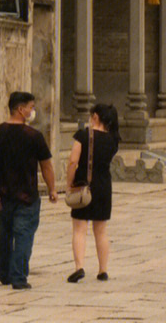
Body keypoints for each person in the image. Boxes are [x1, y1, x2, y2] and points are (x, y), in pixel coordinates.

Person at [0, 90, 58, 290]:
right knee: (23, 235)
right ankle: (19, 277)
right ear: (21, 110)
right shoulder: (34, 136)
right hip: (27, 195)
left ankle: (4, 272)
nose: (34, 111)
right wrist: (52, 189)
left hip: (0, 195)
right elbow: (46, 165)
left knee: (4, 234)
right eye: (31, 107)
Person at [65, 101, 120, 282]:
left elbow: (73, 161)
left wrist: (69, 183)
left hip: (84, 185)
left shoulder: (83, 135)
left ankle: (79, 266)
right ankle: (103, 270)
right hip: (104, 186)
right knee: (101, 231)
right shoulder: (113, 140)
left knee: (80, 228)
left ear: (95, 116)